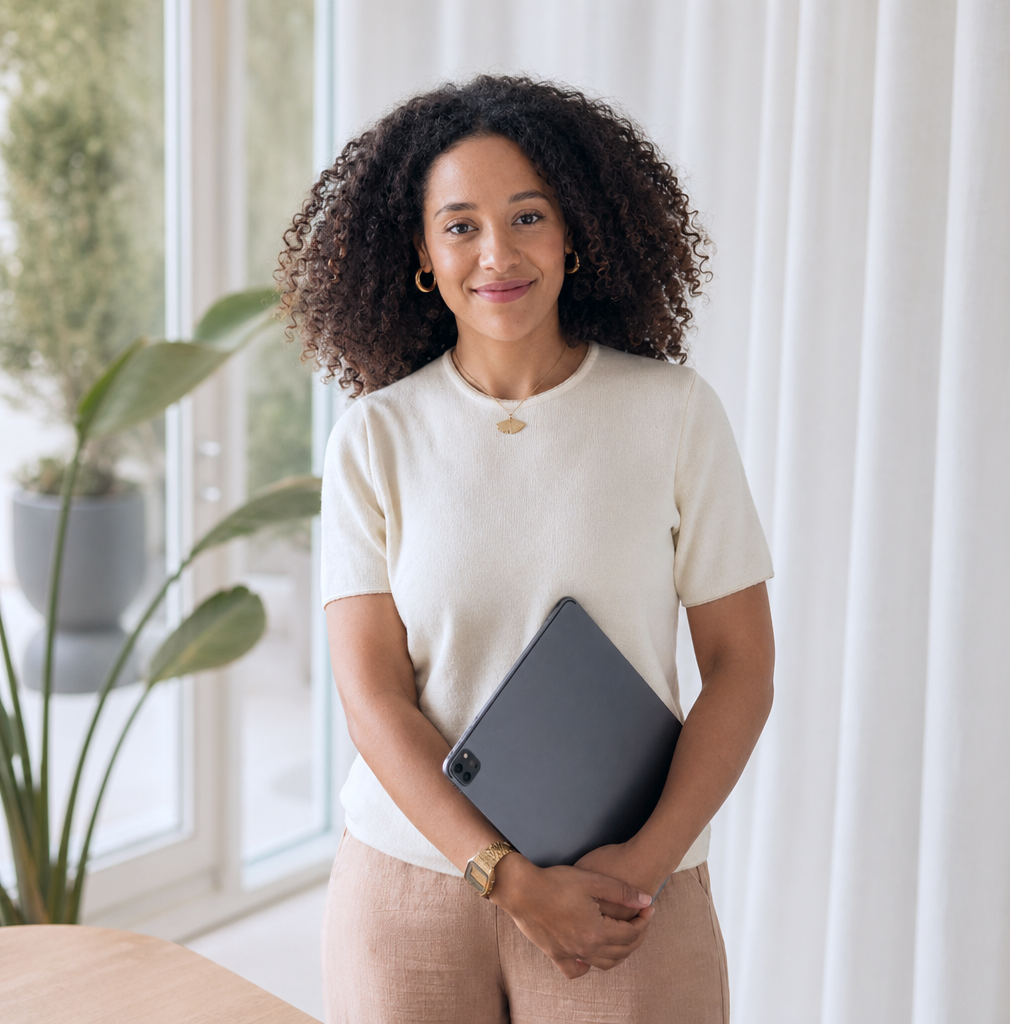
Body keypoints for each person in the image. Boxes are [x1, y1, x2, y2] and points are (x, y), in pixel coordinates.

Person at [279, 74, 775, 1024]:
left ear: (576, 231)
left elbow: (742, 664)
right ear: (421, 253)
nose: (495, 253)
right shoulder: (375, 438)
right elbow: (371, 693)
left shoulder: (672, 413)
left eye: (528, 216)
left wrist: (645, 864)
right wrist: (503, 876)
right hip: (413, 884)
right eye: (459, 225)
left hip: (627, 889)